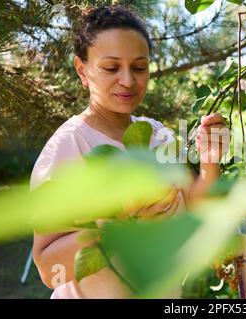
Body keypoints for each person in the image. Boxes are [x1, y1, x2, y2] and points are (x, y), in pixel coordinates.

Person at [31, 5, 228, 299]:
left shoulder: (156, 134)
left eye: (139, 67)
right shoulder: (70, 146)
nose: (128, 80)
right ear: (82, 69)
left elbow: (192, 209)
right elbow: (49, 270)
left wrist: (210, 163)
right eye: (111, 68)